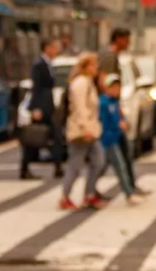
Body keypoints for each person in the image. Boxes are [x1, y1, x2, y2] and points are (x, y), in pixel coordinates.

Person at [98, 28, 148, 196]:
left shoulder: (113, 56)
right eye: (126, 39)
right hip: (109, 112)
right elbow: (103, 81)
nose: (129, 43)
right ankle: (127, 189)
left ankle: (131, 187)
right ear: (118, 39)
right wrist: (113, 107)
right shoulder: (108, 57)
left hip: (114, 109)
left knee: (122, 153)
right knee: (111, 156)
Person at [59, 52, 106, 210]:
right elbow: (79, 108)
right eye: (93, 64)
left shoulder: (88, 82)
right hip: (81, 131)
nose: (96, 68)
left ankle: (89, 194)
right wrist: (85, 128)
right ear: (86, 67)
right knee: (76, 164)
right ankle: (65, 197)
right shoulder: (80, 84)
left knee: (98, 161)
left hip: (91, 129)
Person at [99, 74, 144, 205]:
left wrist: (123, 122)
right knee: (119, 166)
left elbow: (120, 117)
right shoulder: (103, 103)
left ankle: (90, 191)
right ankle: (129, 193)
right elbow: (103, 122)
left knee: (102, 167)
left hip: (118, 137)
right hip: (109, 139)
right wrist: (117, 125)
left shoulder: (115, 102)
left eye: (117, 87)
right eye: (112, 87)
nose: (115, 89)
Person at [21, 39, 63, 180]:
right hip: (41, 107)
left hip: (48, 106)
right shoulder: (39, 65)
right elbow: (36, 87)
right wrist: (35, 108)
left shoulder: (48, 64)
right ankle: (24, 168)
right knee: (34, 139)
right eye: (54, 47)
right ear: (47, 48)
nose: (56, 51)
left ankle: (58, 167)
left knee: (55, 136)